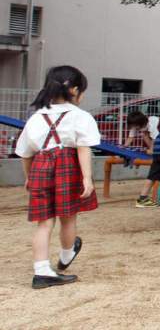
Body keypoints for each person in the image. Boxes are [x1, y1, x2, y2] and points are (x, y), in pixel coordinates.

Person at [16, 66, 99, 289]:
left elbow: (25, 153)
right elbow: (83, 148)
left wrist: (29, 178)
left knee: (44, 222)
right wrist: (87, 178)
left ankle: (41, 271)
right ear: (73, 90)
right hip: (68, 166)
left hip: (41, 166)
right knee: (68, 217)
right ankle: (66, 255)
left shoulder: (36, 117)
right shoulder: (80, 117)